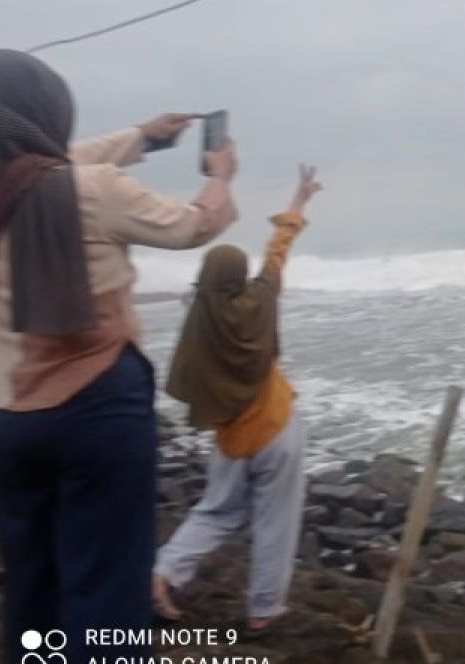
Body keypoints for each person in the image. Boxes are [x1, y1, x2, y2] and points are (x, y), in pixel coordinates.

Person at [0, 49, 238, 664]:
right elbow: (193, 227)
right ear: (47, 113)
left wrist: (143, 138)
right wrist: (220, 176)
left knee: (32, 579)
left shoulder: (2, 187)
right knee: (108, 587)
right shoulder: (92, 191)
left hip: (2, 414)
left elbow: (51, 167)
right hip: (95, 408)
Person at [153, 164, 322, 630]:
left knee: (215, 511)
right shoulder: (260, 300)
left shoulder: (197, 317)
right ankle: (265, 609)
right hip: (276, 427)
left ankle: (163, 572)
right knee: (277, 520)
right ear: (238, 276)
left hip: (230, 437)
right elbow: (277, 252)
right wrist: (300, 199)